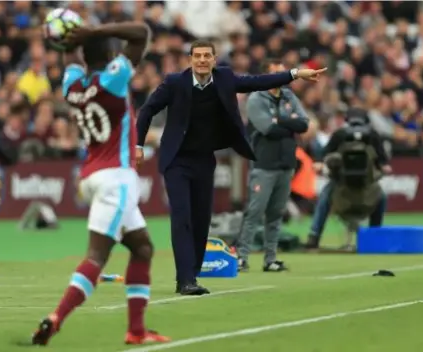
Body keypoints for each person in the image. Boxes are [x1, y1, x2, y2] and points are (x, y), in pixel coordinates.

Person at [136, 39, 326, 295]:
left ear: (214, 60)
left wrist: (294, 74)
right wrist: (137, 145)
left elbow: (258, 82)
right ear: (190, 60)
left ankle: (191, 273)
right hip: (177, 160)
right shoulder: (174, 83)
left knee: (202, 219)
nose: (202, 60)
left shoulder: (224, 78)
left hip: (204, 159)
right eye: (197, 56)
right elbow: (146, 111)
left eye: (207, 56)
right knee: (182, 217)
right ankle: (185, 280)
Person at [31, 22, 170, 346]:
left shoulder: (73, 85)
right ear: (110, 54)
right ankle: (57, 317)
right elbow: (140, 33)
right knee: (96, 256)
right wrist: (90, 31)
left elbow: (69, 61)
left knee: (143, 248)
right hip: (116, 178)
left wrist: (67, 39)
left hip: (93, 175)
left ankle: (136, 330)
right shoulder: (115, 77)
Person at [236, 59, 309, 272]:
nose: (280, 76)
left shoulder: (288, 95)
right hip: (263, 163)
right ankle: (242, 257)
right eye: (275, 73)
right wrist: (288, 121)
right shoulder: (256, 98)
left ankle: (270, 259)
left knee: (276, 213)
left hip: (286, 163)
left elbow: (304, 124)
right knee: (255, 211)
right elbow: (268, 128)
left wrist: (279, 120)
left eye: (282, 72)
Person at [304, 108, 390, 249]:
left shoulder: (340, 134)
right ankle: (375, 236)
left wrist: (320, 163)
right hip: (365, 188)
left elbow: (324, 154)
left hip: (341, 188)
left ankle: (314, 235)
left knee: (325, 196)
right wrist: (384, 166)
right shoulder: (373, 135)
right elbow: (383, 162)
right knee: (381, 197)